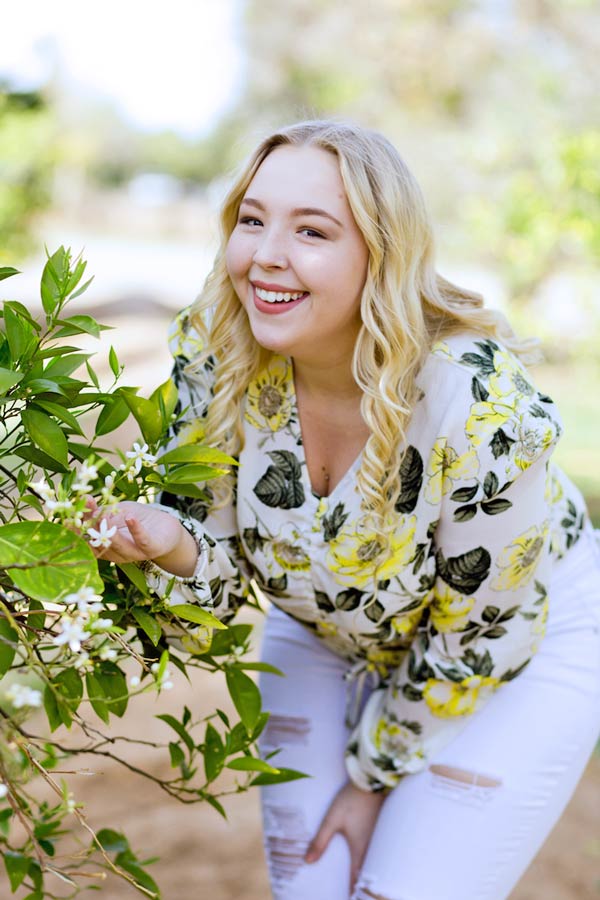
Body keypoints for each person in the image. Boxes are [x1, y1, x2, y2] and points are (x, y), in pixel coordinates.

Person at [92, 120, 600, 900]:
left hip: (517, 642)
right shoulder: (216, 349)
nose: (265, 254)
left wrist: (369, 783)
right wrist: (170, 543)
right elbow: (220, 581)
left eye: (313, 231)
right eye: (253, 219)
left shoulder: (480, 407)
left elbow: (481, 638)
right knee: (311, 888)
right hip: (329, 620)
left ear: (381, 253)